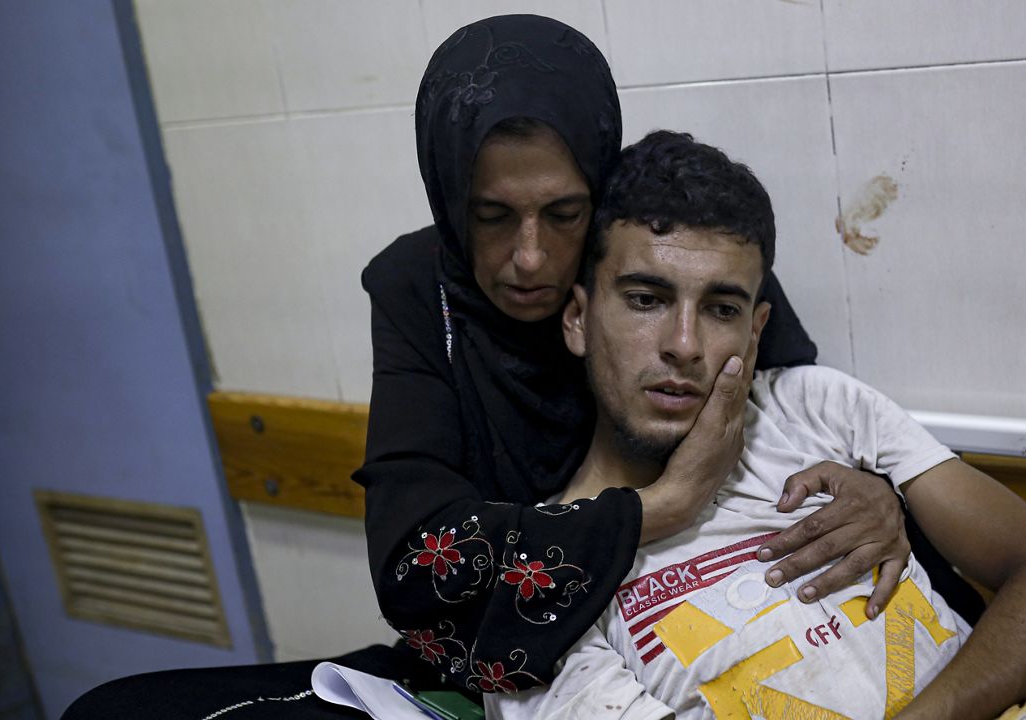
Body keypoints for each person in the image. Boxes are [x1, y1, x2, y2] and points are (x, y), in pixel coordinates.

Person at [351, 12, 967, 697]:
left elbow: (790, 415)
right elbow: (415, 564)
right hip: (521, 652)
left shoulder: (651, 243)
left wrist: (879, 495)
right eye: (491, 216)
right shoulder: (418, 289)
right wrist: (664, 504)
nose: (529, 259)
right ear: (448, 198)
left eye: (562, 214)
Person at [485, 131, 1026, 719]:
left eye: (721, 308)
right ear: (577, 319)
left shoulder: (812, 411)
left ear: (756, 332)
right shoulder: (542, 582)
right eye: (647, 300)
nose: (684, 344)